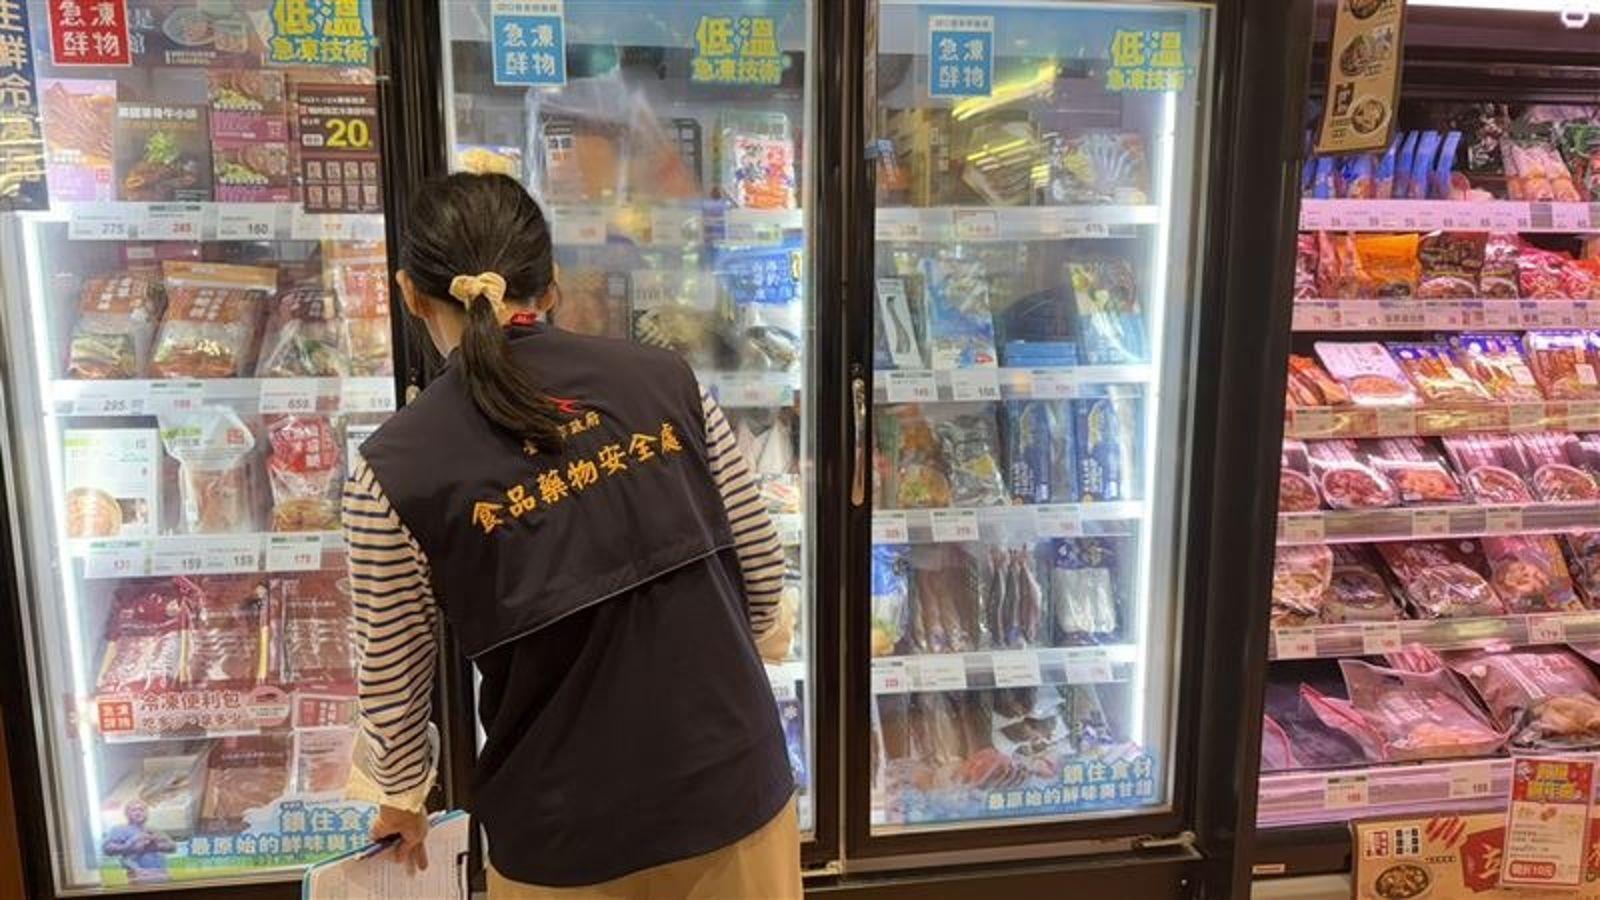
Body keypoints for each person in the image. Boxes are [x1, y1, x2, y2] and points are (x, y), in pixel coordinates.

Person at [346, 172, 800, 899]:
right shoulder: (668, 380)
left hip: (563, 832)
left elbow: (392, 672)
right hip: (732, 791)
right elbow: (760, 568)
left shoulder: (391, 470)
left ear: (410, 294)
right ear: (551, 284)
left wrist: (401, 795)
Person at [101, 801, 174, 883]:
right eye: (134, 810)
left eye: (141, 810)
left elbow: (172, 847)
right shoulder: (120, 829)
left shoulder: (153, 829)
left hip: (161, 874)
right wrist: (130, 847)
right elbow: (107, 849)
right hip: (138, 877)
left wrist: (156, 846)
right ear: (127, 814)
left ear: (147, 813)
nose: (138, 813)